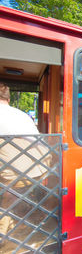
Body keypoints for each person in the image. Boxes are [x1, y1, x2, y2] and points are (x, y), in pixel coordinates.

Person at [0, 83, 50, 238]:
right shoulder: (21, 114)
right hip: (41, 168)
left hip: (15, 172)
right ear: (8, 98)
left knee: (9, 192)